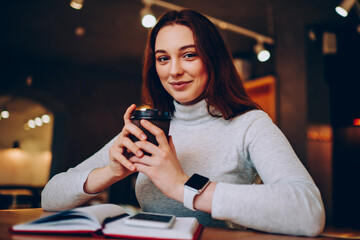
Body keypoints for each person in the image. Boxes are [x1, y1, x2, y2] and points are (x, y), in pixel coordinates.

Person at [42, 9, 325, 236]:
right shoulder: (150, 127)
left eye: (189, 55)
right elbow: (50, 196)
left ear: (212, 59)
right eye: (163, 59)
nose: (174, 71)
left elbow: (309, 212)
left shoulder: (250, 125)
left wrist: (184, 186)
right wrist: (113, 171)